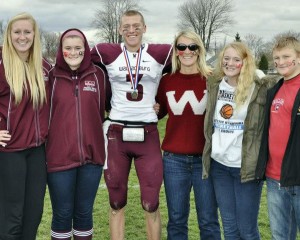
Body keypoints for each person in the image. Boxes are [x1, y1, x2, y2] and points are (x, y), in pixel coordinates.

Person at [91, 10, 172, 240]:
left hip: (148, 131)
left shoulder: (160, 54)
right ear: (119, 29)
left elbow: (188, 61)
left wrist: (162, 103)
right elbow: (78, 62)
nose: (131, 30)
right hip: (117, 131)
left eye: (136, 26)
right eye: (126, 26)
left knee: (151, 202)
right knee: (116, 200)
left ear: (144, 28)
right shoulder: (106, 52)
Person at [202, 41, 277, 239]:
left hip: (246, 168)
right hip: (219, 167)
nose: (230, 63)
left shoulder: (260, 87)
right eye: (226, 59)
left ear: (245, 62)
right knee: (229, 227)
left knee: (247, 229)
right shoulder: (214, 84)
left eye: (236, 59)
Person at [155, 31, 221, 240]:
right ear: (175, 51)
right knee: (176, 219)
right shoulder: (166, 81)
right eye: (181, 47)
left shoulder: (213, 80)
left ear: (200, 50)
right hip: (174, 161)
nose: (187, 51)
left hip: (206, 160)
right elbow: (159, 111)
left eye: (192, 47)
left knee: (209, 220)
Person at [46, 29, 107, 240]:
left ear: (86, 49)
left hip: (92, 159)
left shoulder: (98, 75)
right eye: (68, 48)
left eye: (78, 48)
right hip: (59, 159)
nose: (73, 52)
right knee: (62, 215)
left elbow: (105, 110)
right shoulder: (51, 78)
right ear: (61, 51)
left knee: (84, 214)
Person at [0, 12, 52, 240]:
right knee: (11, 219)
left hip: (37, 151)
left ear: (34, 34)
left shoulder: (43, 66)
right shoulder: (1, 63)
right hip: (10, 151)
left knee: (33, 216)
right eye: (17, 32)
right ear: (9, 35)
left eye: (27, 32)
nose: (22, 37)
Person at [255, 36, 300, 240]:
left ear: (298, 58)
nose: (280, 62)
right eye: (276, 57)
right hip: (274, 178)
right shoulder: (275, 90)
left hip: (298, 177)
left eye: (286, 56)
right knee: (280, 236)